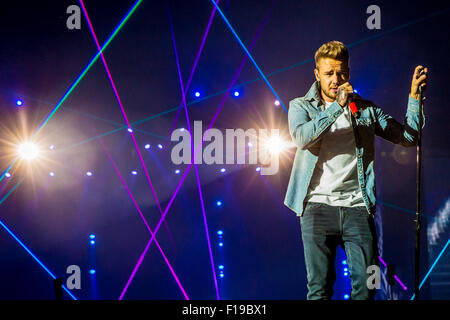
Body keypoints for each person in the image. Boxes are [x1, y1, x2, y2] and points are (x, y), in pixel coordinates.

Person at [284, 41, 427, 300]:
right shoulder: (301, 106)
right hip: (316, 207)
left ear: (348, 72)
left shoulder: (366, 109)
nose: (336, 80)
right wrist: (337, 107)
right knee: (319, 290)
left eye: (341, 73)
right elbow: (302, 138)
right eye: (329, 74)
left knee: (367, 285)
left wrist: (414, 98)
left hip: (357, 208)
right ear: (317, 74)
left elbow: (407, 138)